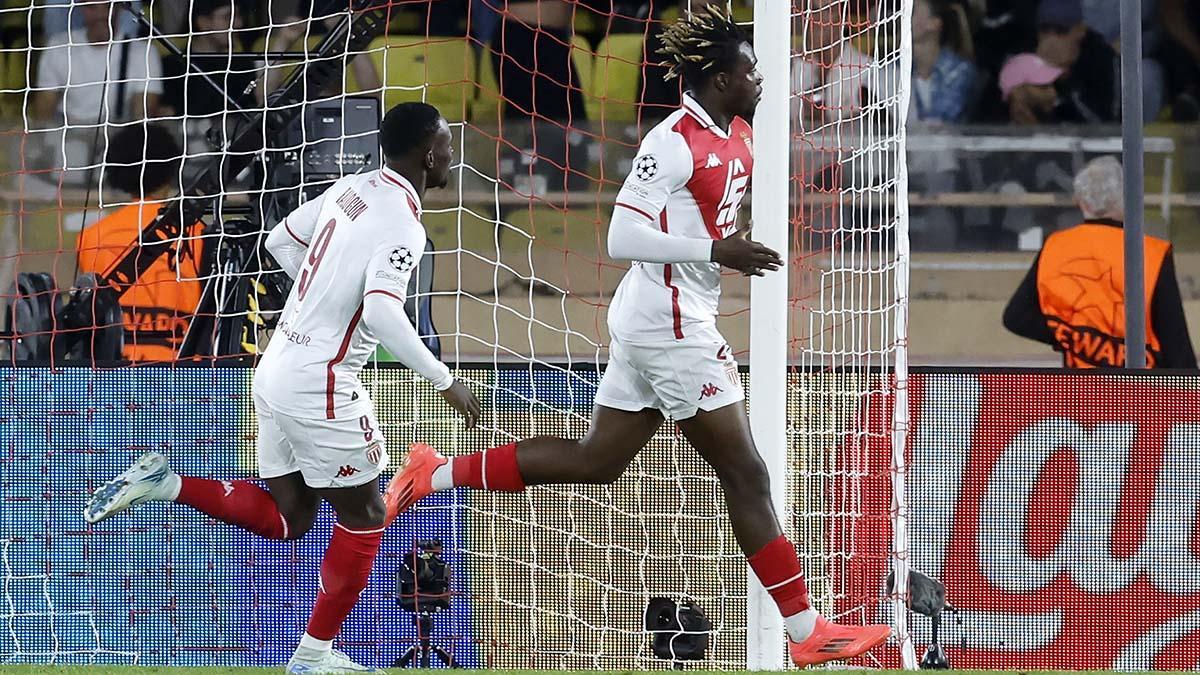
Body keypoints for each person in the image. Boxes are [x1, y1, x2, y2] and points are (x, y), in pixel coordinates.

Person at [386, 5, 890, 667]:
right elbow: (623, 235)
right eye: (748, 70)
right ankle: (805, 631)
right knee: (747, 471)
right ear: (717, 80)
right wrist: (716, 250)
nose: (760, 79)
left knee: (599, 460)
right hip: (669, 324)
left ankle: (434, 472)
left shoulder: (734, 127)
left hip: (662, 315)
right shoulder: (672, 141)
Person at [82, 102, 483, 673]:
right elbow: (385, 313)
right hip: (320, 381)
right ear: (427, 153)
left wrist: (321, 295)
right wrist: (446, 381)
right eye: (447, 143)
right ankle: (314, 657)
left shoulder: (351, 187)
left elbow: (279, 241)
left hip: (274, 369)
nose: (451, 154)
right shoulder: (404, 225)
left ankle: (166, 482)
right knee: (367, 516)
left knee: (290, 519)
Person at [1002, 156, 1197, 369]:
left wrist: (1074, 339)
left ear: (1080, 202)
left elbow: (1016, 317)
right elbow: (1177, 346)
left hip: (1083, 393)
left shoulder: (1056, 246)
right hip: (1141, 393)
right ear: (1128, 198)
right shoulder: (1151, 252)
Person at [75, 123, 204, 362]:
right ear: (171, 169)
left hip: (110, 372)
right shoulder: (197, 232)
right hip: (183, 377)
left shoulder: (92, 237)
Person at [32, 0, 164, 183]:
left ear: (119, 9)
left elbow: (142, 117)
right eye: (92, 7)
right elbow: (43, 114)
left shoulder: (142, 51)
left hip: (118, 140)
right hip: (69, 139)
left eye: (108, 6)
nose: (101, 14)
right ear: (81, 9)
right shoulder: (59, 47)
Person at [997, 0, 1119, 125]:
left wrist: (1066, 81)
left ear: (1080, 30)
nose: (1051, 39)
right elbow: (988, 115)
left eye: (1061, 31)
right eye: (1045, 29)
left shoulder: (1101, 55)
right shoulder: (1023, 50)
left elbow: (1104, 122)